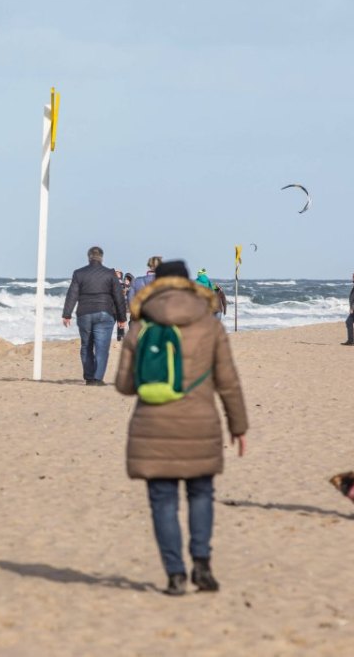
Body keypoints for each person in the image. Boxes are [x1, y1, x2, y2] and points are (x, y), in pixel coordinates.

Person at [114, 260, 248, 596]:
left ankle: (175, 575)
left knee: (163, 502)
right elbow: (227, 381)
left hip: (153, 427)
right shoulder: (209, 324)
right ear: (188, 283)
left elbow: (124, 385)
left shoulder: (141, 325)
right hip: (200, 424)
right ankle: (202, 566)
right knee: (201, 494)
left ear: (155, 283)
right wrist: (239, 425)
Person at [62, 246, 127, 386]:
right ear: (102, 258)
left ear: (88, 257)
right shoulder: (110, 274)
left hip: (84, 313)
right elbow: (118, 297)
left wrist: (67, 314)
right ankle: (97, 379)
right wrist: (122, 318)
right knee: (102, 347)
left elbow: (72, 294)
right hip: (105, 313)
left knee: (86, 346)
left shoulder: (79, 273)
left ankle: (89, 377)